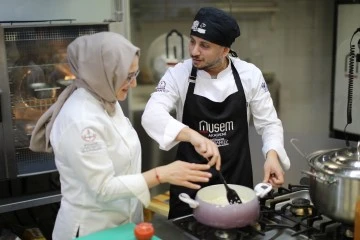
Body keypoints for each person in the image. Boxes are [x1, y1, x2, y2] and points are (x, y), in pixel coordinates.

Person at [29, 32, 212, 240]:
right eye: (128, 76)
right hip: (92, 230)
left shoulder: (106, 98)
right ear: (102, 73)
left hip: (122, 223)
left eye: (135, 74)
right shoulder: (80, 120)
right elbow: (103, 188)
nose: (133, 84)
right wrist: (161, 175)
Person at [141, 7, 291, 219]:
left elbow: (269, 123)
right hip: (190, 184)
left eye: (204, 45)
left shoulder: (249, 75)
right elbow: (151, 115)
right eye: (192, 41)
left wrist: (272, 154)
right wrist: (192, 135)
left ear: (224, 50)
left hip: (236, 181)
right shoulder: (179, 73)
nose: (194, 51)